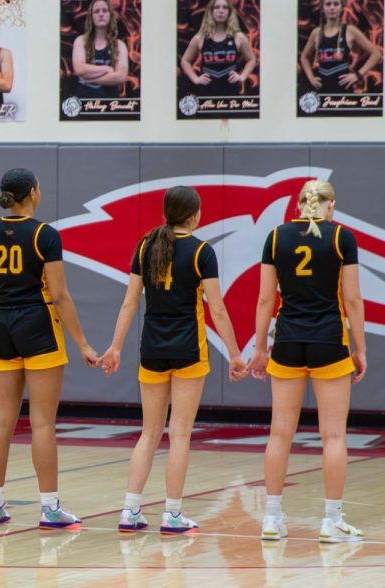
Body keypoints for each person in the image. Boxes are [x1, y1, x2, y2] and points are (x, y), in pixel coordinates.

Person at [99, 186, 247, 535]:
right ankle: (173, 514)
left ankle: (130, 510)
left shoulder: (145, 246)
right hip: (188, 351)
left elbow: (129, 303)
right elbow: (219, 309)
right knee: (179, 434)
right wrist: (236, 353)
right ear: (195, 214)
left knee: (149, 433)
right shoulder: (201, 252)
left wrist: (115, 346)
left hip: (151, 348)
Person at [0, 168, 100, 529]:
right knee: (42, 423)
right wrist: (83, 343)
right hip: (38, 323)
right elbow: (60, 295)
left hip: (3, 326)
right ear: (32, 193)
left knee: (1, 421)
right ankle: (49, 508)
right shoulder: (45, 234)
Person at [249, 180, 367, 543]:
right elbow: (353, 300)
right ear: (330, 205)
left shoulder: (275, 237)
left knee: (279, 433)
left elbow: (266, 300)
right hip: (329, 340)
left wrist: (258, 349)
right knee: (333, 435)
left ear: (298, 205)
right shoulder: (341, 238)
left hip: (286, 341)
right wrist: (359, 349)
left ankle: (271, 518)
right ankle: (331, 522)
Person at [300, 0, 381, 95]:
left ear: (342, 7)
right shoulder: (316, 33)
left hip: (343, 89)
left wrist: (358, 75)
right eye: (328, 4)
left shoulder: (350, 31)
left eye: (336, 4)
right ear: (322, 8)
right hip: (321, 88)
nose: (332, 7)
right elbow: (304, 57)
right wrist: (311, 78)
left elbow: (376, 54)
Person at [180, 0, 257, 98]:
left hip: (231, 92)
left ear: (230, 12)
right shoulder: (200, 38)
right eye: (217, 7)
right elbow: (185, 61)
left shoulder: (238, 37)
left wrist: (242, 76)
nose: (221, 11)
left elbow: (251, 59)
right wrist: (195, 79)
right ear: (210, 12)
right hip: (206, 93)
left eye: (224, 8)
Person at [71, 0, 130, 99]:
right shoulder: (81, 41)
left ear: (110, 15)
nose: (101, 14)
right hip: (84, 104)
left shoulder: (120, 45)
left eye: (104, 10)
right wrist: (107, 69)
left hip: (110, 105)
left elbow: (121, 76)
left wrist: (89, 78)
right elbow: (79, 69)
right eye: (97, 11)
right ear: (91, 17)